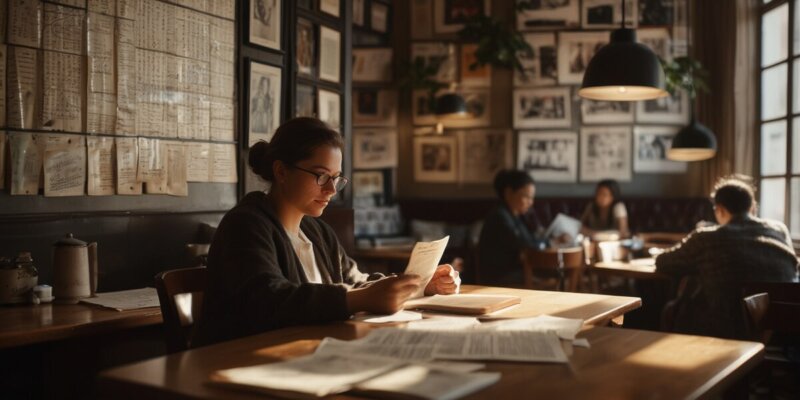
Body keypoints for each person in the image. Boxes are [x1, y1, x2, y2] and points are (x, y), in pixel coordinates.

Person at [194, 118, 460, 346]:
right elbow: (268, 299)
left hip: (306, 355)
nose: (332, 190)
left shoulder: (316, 231)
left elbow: (355, 282)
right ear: (281, 171)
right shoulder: (245, 225)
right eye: (321, 176)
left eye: (336, 178)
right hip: (243, 364)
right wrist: (358, 298)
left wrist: (419, 285)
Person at [655, 175, 799, 339]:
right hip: (784, 332)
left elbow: (663, 262)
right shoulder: (779, 230)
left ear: (719, 210)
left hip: (726, 332)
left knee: (673, 308)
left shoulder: (706, 238)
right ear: (752, 207)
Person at [478, 170, 545, 286]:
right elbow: (527, 244)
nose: (530, 203)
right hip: (498, 279)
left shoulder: (515, 216)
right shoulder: (500, 217)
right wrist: (547, 242)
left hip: (513, 273)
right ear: (509, 193)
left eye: (532, 198)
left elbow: (529, 240)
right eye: (526, 196)